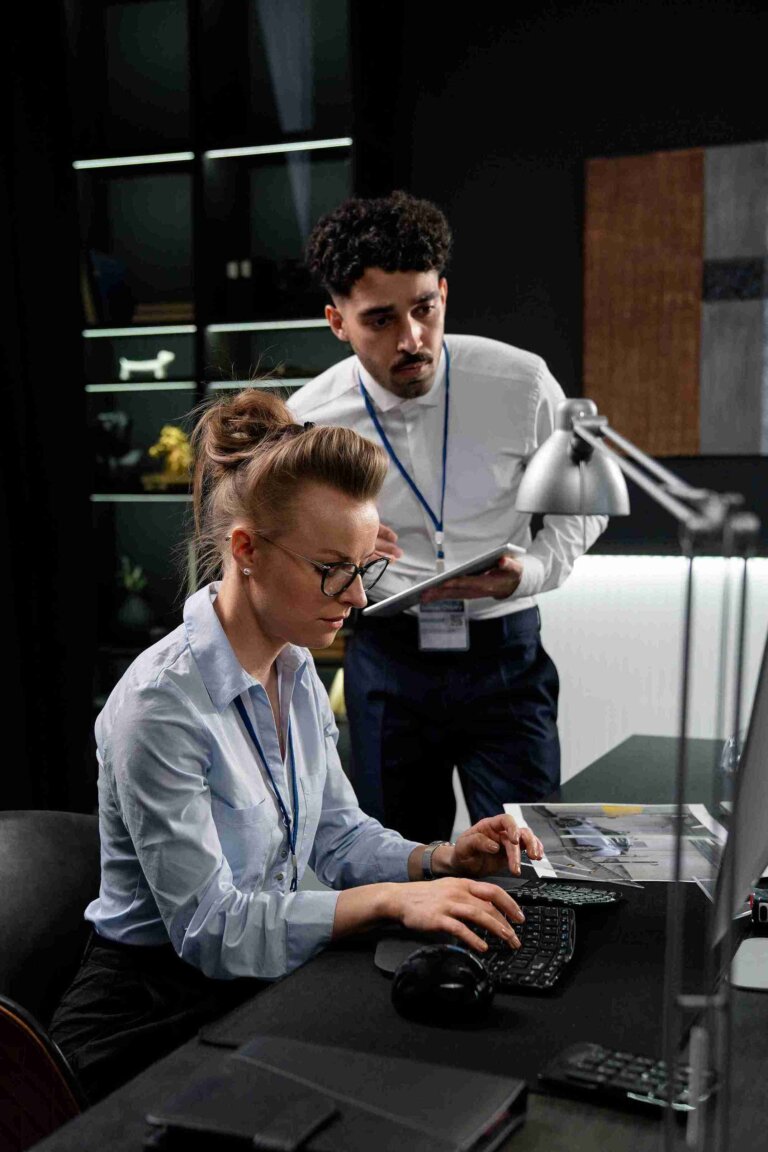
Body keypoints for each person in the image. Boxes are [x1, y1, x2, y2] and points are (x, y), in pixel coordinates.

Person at [49, 388, 544, 1105]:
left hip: (249, 986)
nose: (359, 598)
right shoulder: (159, 705)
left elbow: (337, 835)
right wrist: (390, 902)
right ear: (245, 549)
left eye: (362, 568)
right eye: (331, 569)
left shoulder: (296, 665)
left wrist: (436, 858)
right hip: (140, 1023)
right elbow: (212, 929)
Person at [288, 190, 607, 844]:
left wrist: (536, 570)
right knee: (395, 855)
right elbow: (278, 547)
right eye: (379, 320)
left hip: (505, 655)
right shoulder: (309, 418)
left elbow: (586, 500)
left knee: (530, 854)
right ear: (337, 322)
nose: (412, 338)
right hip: (387, 658)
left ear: (443, 294)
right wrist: (334, 554)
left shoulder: (521, 381)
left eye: (425, 309)